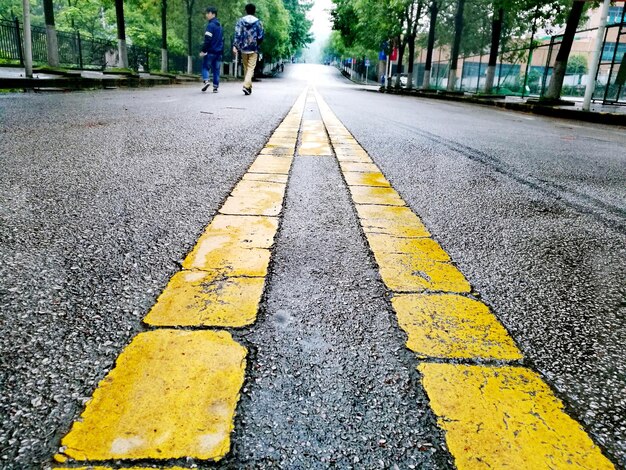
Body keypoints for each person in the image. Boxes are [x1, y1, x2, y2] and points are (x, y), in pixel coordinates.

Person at [233, 3, 264, 95]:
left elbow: (237, 34)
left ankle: (248, 87)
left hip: (243, 48)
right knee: (250, 68)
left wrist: (235, 46)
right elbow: (261, 36)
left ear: (246, 11)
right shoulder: (258, 22)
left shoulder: (240, 21)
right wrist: (257, 43)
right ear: (254, 11)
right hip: (254, 49)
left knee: (246, 68)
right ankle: (246, 86)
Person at [200, 6, 224, 93]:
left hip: (210, 52)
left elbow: (207, 39)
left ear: (212, 14)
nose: (206, 15)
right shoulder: (220, 26)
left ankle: (206, 81)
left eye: (208, 13)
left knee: (205, 67)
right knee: (216, 71)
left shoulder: (210, 25)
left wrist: (203, 50)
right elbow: (222, 40)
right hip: (218, 53)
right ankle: (215, 88)